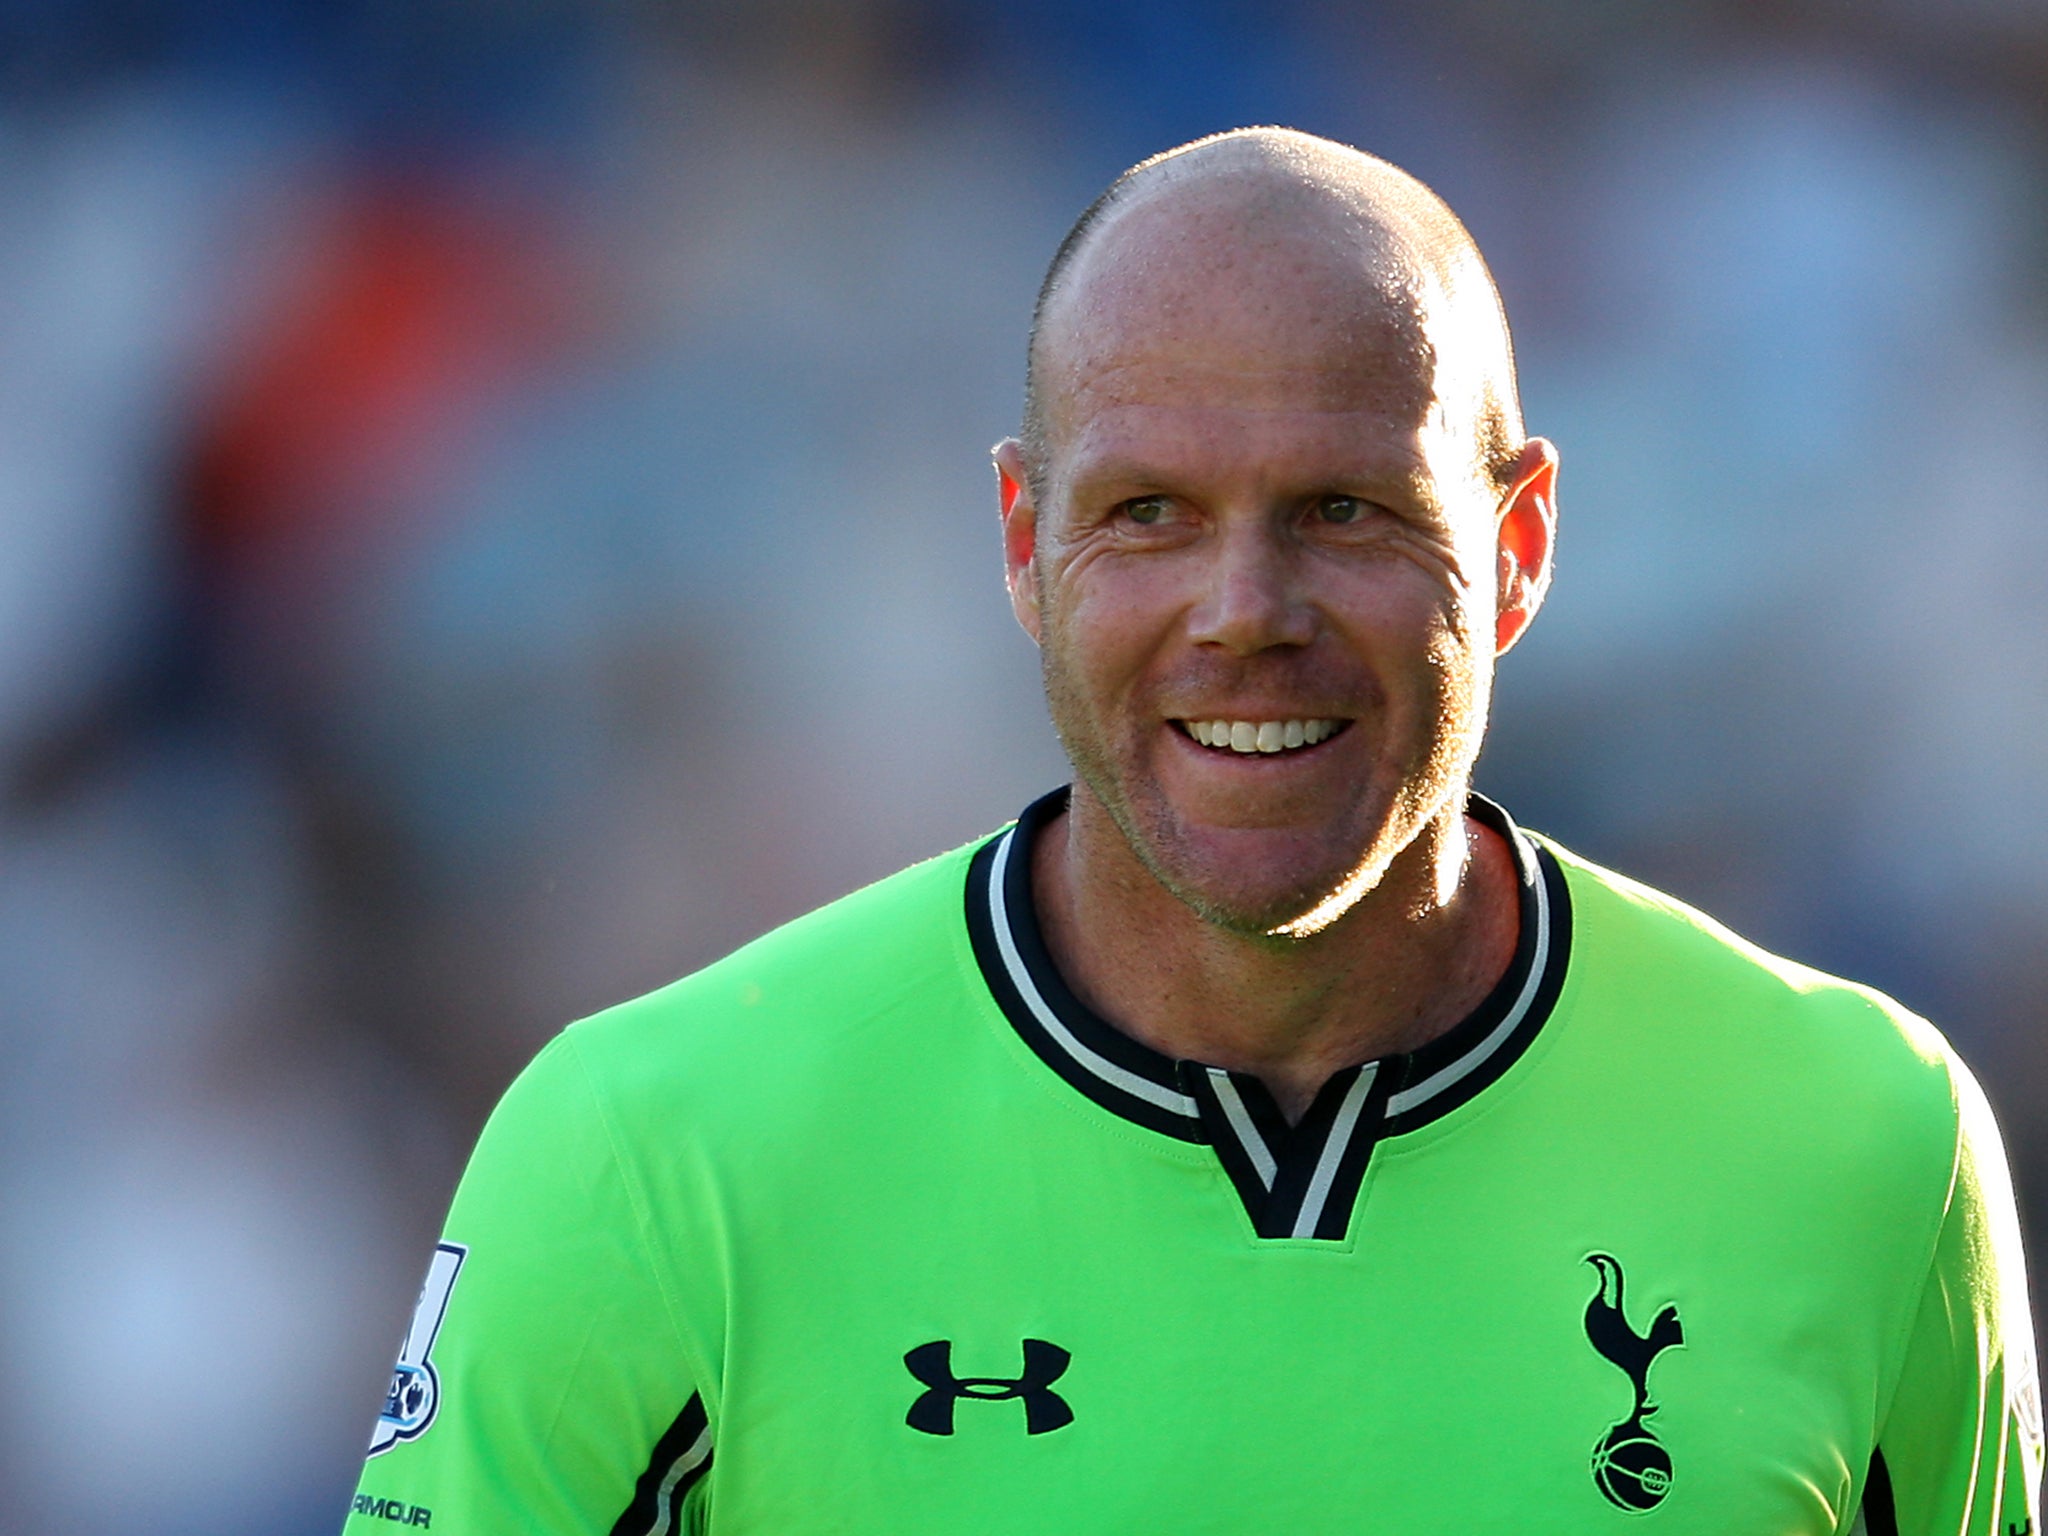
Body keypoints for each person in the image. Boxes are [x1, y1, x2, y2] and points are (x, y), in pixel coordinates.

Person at [343, 128, 2040, 1535]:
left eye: (1345, 511)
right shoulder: (648, 1157)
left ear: (1518, 544)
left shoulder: (1862, 1145)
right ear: (1023, 541)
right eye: (1148, 513)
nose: (1245, 613)